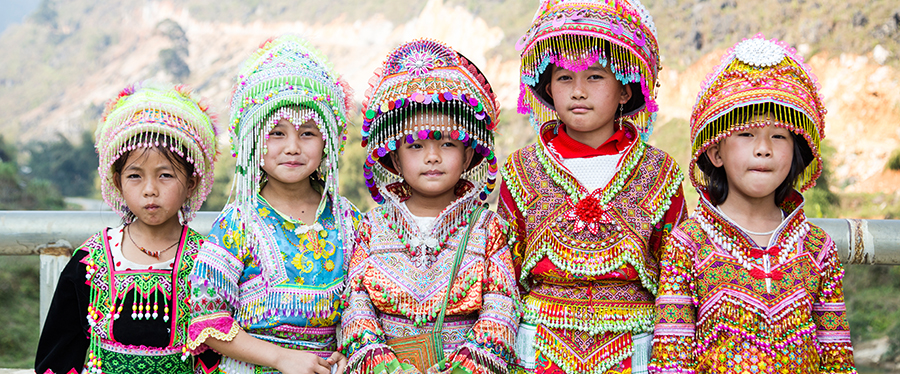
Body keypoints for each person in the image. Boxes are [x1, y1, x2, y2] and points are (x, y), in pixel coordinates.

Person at [648, 35, 857, 374]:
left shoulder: (817, 249)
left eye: (779, 136)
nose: (764, 149)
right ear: (715, 152)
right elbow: (671, 361)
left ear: (795, 155)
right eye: (746, 135)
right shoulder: (688, 245)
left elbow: (838, 360)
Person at [499, 1, 687, 373]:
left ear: (625, 91)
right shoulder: (520, 169)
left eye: (595, 76)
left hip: (634, 349)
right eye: (565, 78)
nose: (578, 91)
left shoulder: (661, 171)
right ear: (549, 88)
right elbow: (503, 272)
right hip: (538, 348)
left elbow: (677, 276)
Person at [340, 39, 520, 374]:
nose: (432, 156)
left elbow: (502, 307)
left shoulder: (487, 229)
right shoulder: (371, 227)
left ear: (468, 154)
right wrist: (385, 368)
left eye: (448, 143)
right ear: (394, 156)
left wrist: (464, 368)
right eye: (416, 144)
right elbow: (356, 306)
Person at [186, 35, 360, 374]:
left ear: (328, 142)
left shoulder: (348, 219)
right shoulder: (238, 223)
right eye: (276, 133)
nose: (293, 147)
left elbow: (364, 308)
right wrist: (282, 359)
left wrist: (347, 352)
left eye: (307, 133)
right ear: (252, 141)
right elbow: (207, 321)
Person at [35, 82, 219, 374]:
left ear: (192, 183)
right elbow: (58, 356)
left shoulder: (208, 262)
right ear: (117, 182)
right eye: (135, 175)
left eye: (166, 175)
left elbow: (218, 359)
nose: (150, 190)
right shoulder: (90, 262)